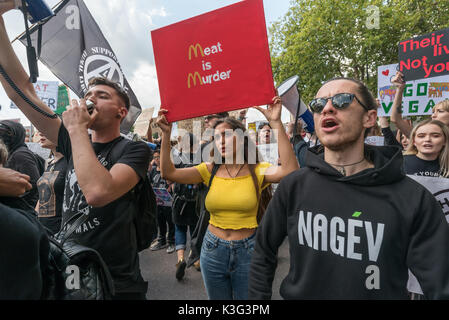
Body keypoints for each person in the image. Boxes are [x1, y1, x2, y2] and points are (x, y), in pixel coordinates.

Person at [0, 4, 151, 300]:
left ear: (121, 112)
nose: (89, 99)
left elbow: (97, 191)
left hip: (117, 281)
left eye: (102, 96)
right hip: (72, 269)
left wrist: (76, 130)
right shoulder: (74, 138)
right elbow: (21, 91)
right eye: (87, 95)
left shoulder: (134, 150)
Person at [248, 77, 449, 299]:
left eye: (342, 101)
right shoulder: (293, 186)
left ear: (369, 118)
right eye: (318, 104)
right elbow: (263, 252)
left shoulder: (413, 198)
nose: (327, 108)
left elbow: (440, 283)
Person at [156, 95, 299, 300]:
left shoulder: (257, 170)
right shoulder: (209, 169)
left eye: (226, 135)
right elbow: (168, 173)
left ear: (241, 138)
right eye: (216, 137)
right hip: (212, 250)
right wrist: (166, 134)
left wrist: (275, 122)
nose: (220, 141)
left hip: (249, 251)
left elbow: (290, 171)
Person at [390, 71, 449, 137]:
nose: (433, 116)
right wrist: (399, 89)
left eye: (440, 111)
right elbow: (396, 119)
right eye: (433, 112)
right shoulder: (423, 137)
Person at [0, 120, 42, 210]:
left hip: (25, 209)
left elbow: (34, 184)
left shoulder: (21, 155)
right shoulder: (13, 153)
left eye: (7, 132)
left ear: (17, 135)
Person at [35, 131, 67, 235]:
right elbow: (42, 197)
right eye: (39, 130)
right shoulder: (50, 163)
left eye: (45, 129)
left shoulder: (69, 162)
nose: (40, 133)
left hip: (59, 231)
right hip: (43, 229)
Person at [148, 149, 175, 254]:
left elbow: (173, 182)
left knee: (170, 221)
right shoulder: (153, 170)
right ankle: (162, 240)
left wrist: (170, 187)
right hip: (157, 201)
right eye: (155, 158)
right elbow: (150, 182)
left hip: (168, 201)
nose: (157, 159)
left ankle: (172, 241)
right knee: (160, 221)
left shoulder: (169, 169)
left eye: (159, 157)